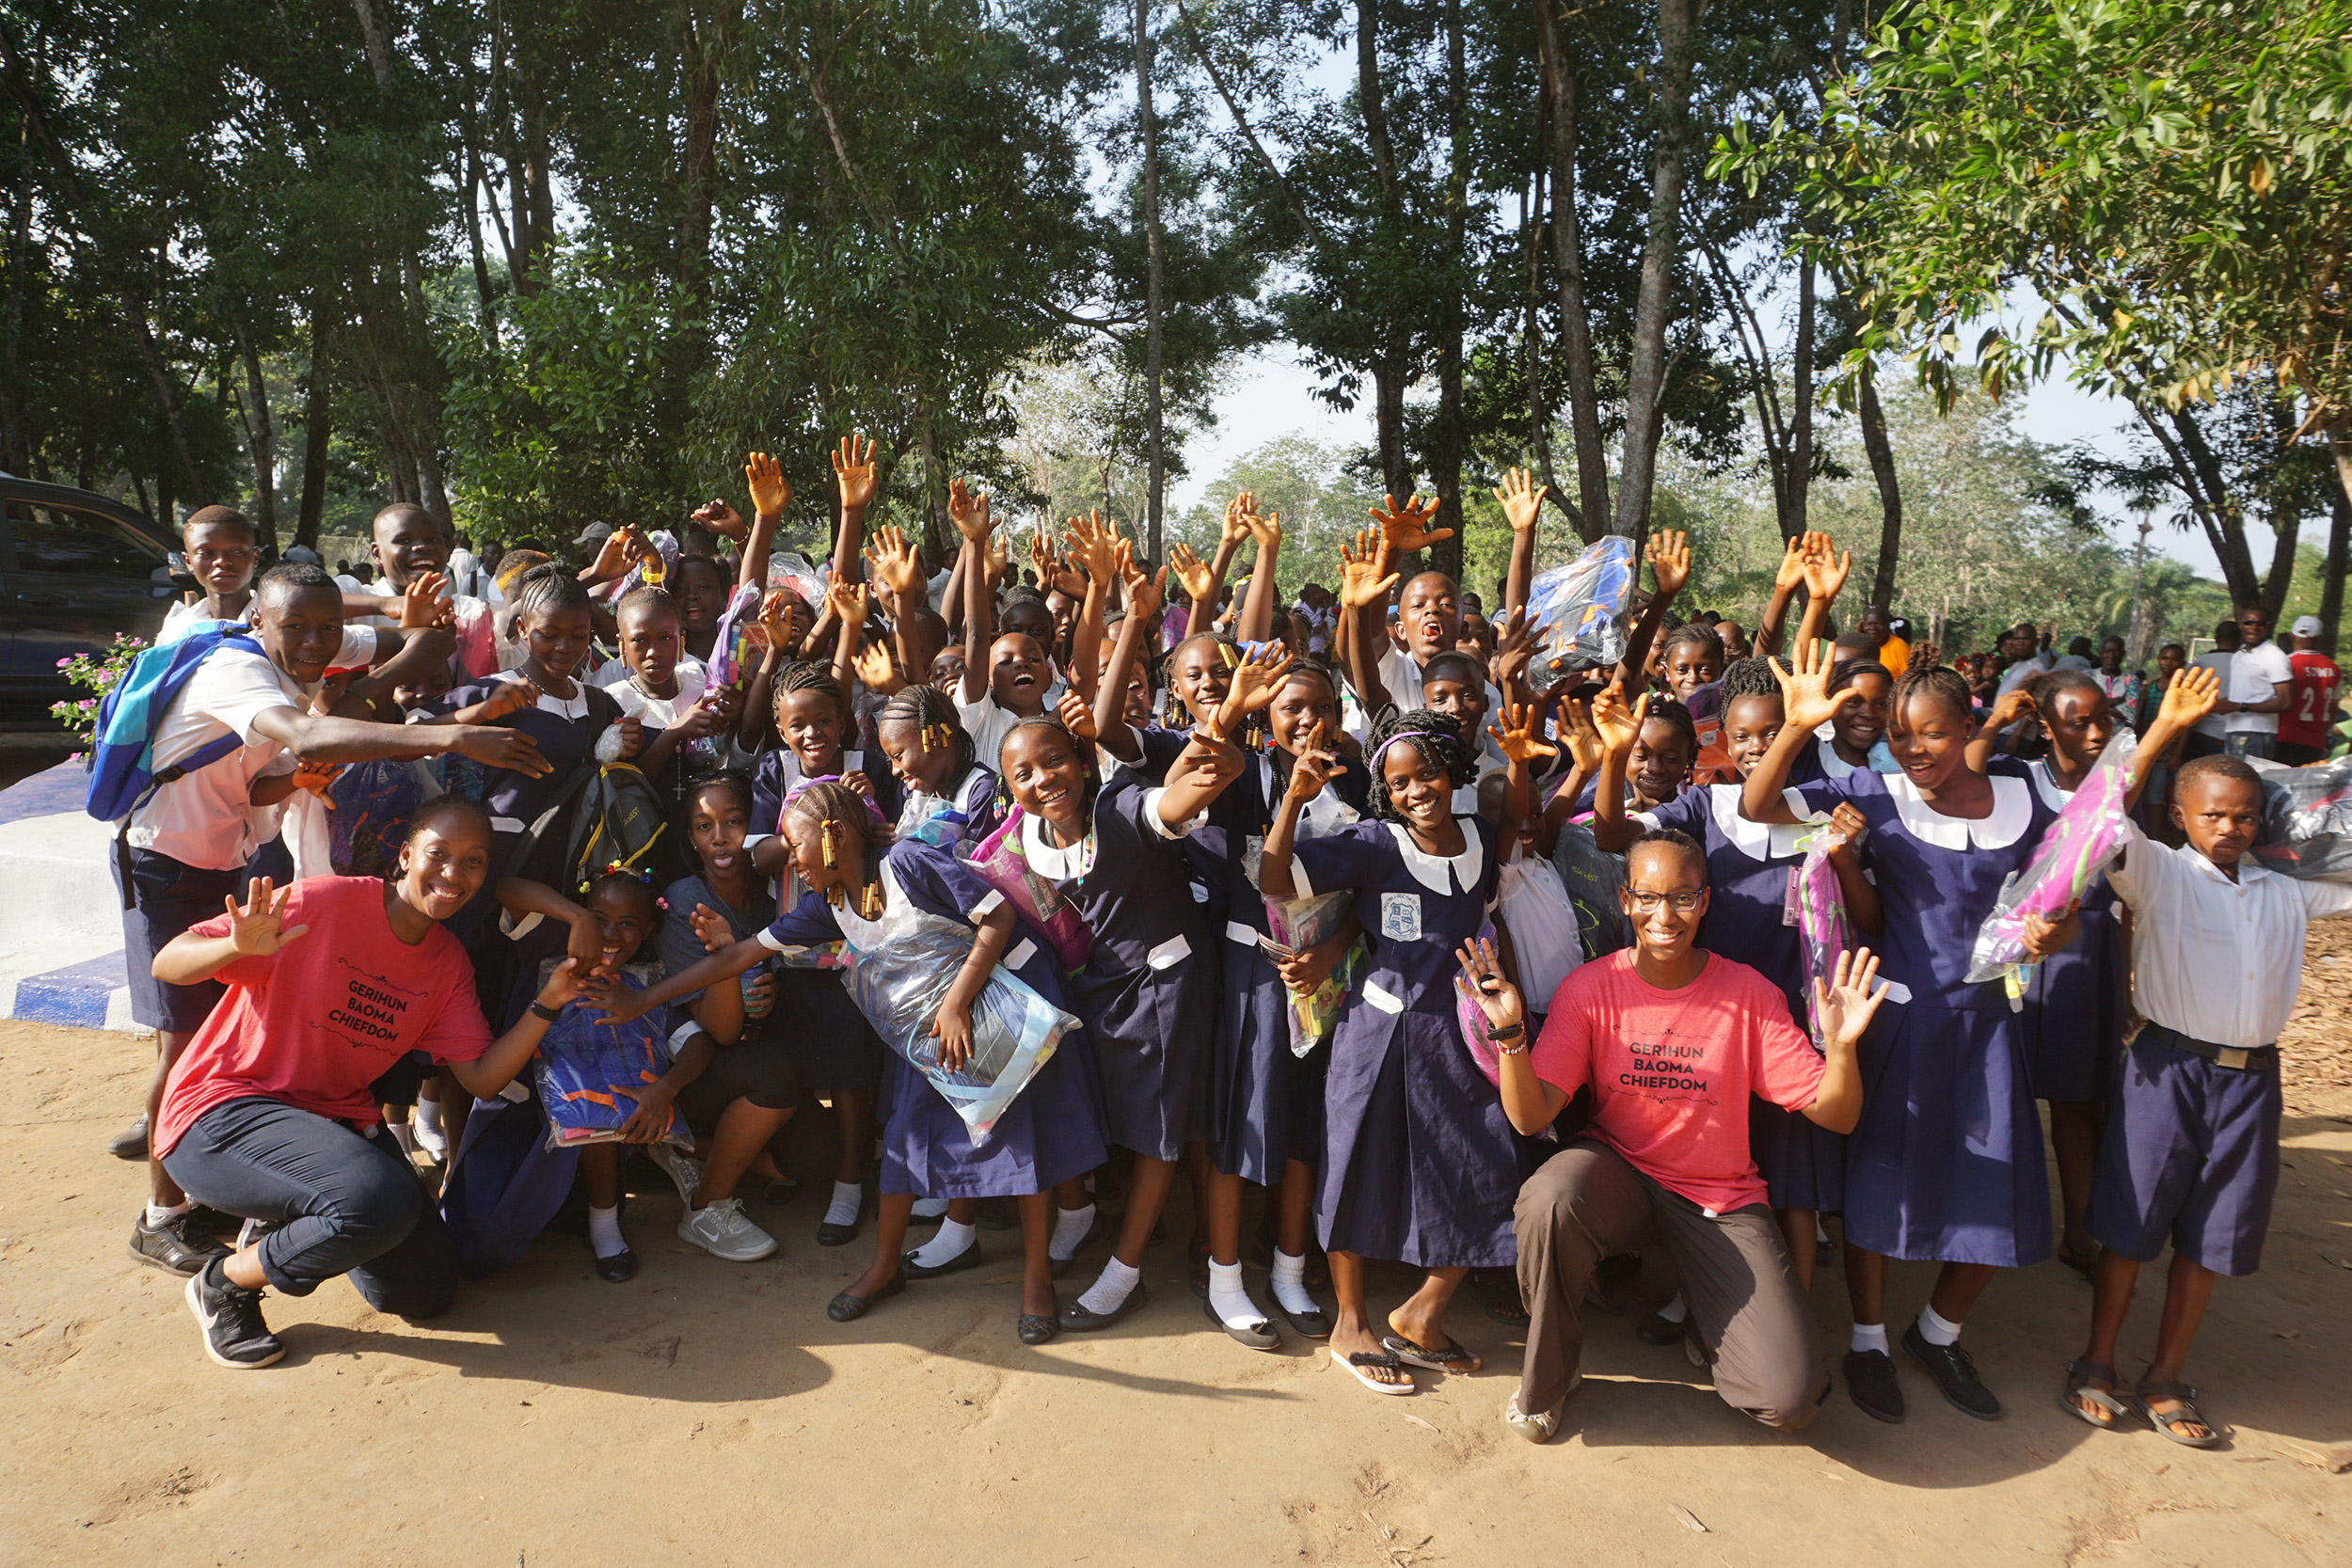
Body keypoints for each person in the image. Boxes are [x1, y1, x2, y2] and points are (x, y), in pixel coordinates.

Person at [115, 564, 543, 1275]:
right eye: (297, 627)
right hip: (167, 860)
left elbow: (381, 678)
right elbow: (321, 736)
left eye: (328, 628)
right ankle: (165, 1212)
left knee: (422, 1269)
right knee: (188, 1038)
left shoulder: (309, 659)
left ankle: (274, 1180)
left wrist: (414, 632)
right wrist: (454, 737)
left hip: (229, 857)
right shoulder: (237, 672)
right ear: (259, 619)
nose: (316, 643)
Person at [1740, 644, 2074, 1424]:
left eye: (1931, 732)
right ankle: (1867, 1341)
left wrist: (2053, 934)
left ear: (1970, 726)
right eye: (1899, 732)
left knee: (1998, 1183)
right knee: (1884, 1185)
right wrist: (1796, 726)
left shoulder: (2024, 800)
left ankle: (1938, 1330)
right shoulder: (1876, 792)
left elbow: (2065, 893)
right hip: (1900, 1021)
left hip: (1990, 1028)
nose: (1913, 747)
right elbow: (1760, 803)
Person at [1466, 832, 1891, 1440]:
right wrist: (1510, 1034)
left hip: (1719, 1197)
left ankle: (1708, 1321)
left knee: (1790, 1399)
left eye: (1683, 897)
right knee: (1549, 1197)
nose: (1665, 916)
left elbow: (1837, 1113)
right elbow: (1533, 1118)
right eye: (1648, 897)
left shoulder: (1749, 995)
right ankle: (1552, 1376)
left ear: (1706, 900)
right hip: (1618, 1175)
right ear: (1625, 899)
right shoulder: (1589, 989)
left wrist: (1843, 1048)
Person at [151, 800, 576, 1368]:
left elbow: (479, 1079)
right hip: (222, 1112)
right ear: (405, 856)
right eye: (439, 854)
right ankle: (226, 1281)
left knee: (426, 1292)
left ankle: (297, 1211)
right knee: (379, 1203)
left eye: (473, 862)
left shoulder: (447, 964)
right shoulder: (323, 901)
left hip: (331, 1122)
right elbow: (168, 962)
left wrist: (546, 1006)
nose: (453, 873)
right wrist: (234, 946)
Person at [2060, 740, 2351, 1446]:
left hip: (2252, 1080)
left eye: (2246, 816)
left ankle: (2166, 1374)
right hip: (2169, 1069)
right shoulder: (2160, 872)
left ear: (2263, 821)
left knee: (2211, 1234)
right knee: (2132, 1226)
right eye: (2214, 814)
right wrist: (2165, 730)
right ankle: (2097, 1362)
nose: (2230, 827)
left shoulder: (2287, 890)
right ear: (2181, 815)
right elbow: (2098, 816)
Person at [1258, 706, 1535, 1396]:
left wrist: (1523, 763)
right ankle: (1350, 1322)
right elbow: (1274, 877)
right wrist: (1294, 799)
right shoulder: (1376, 842)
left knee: (1489, 1168)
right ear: (1385, 792)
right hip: (1377, 1034)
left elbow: (1518, 821)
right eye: (1400, 782)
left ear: (1453, 770)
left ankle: (1421, 1312)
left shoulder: (1476, 836)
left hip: (1460, 1039)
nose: (1418, 791)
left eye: (1429, 773)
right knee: (1353, 1168)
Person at [1590, 660, 1879, 1295]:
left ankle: (1794, 1309)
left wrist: (1846, 855)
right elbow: (1613, 832)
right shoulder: (1705, 805)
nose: (1757, 749)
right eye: (1743, 737)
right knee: (1714, 1167)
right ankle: (1694, 1302)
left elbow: (1867, 915)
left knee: (1791, 1183)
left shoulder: (1828, 808)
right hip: (1713, 1028)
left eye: (1774, 732)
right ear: (1721, 739)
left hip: (1796, 1028)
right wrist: (1612, 760)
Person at [1001, 705, 1247, 1334]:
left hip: (1169, 983)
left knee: (1161, 1129)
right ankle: (1090, 1220)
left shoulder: (1121, 809)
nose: (1044, 778)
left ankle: (1125, 1272)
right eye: (1024, 772)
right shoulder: (1030, 839)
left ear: (1084, 762)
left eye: (1056, 759)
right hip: (1107, 988)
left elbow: (1176, 800)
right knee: (1125, 1118)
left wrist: (1222, 732)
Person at [344, 504, 501, 680]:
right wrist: (389, 604)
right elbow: (315, 606)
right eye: (404, 540)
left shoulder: (465, 613)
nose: (422, 547)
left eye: (433, 540)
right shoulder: (357, 595)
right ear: (377, 553)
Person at [158, 506, 262, 641]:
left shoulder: (279, 624)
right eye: (206, 553)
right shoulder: (177, 629)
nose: (222, 562)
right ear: (188, 562)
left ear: (255, 558)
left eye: (237, 551)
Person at [2216, 603, 2291, 761]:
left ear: (2269, 627)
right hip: (2233, 729)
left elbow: (2285, 702)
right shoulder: (2238, 655)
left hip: (2257, 733)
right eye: (2249, 622)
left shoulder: (2274, 656)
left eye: (2261, 623)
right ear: (2240, 626)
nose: (2254, 627)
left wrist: (2239, 706)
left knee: (2248, 784)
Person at [2277, 615, 2341, 767]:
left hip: (2285, 736)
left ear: (2292, 635)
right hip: (2316, 740)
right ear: (2319, 637)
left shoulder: (2286, 663)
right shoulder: (2333, 668)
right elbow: (2333, 708)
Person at [2185, 618, 2240, 761]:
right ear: (2241, 639)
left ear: (2215, 639)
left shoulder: (2199, 663)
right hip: (2234, 733)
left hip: (2202, 732)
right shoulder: (2246, 664)